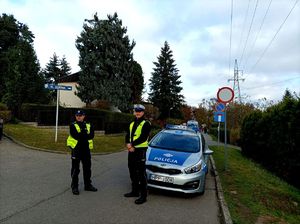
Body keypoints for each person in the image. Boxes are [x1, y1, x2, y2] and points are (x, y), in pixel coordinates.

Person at [124, 104, 151, 204]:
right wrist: (127, 144)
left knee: (141, 173)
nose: (138, 113)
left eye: (140, 111)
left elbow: (143, 137)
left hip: (140, 151)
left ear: (143, 112)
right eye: (136, 111)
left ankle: (143, 196)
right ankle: (134, 191)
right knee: (132, 170)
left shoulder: (146, 123)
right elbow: (127, 135)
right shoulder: (131, 123)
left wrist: (132, 145)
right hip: (131, 151)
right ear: (134, 112)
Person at [67, 110, 97, 195]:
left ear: (84, 116)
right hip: (76, 150)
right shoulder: (72, 125)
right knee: (75, 169)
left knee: (87, 169)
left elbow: (92, 135)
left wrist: (82, 134)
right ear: (75, 116)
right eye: (77, 115)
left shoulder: (89, 125)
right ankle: (74, 187)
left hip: (86, 150)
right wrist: (84, 134)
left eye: (80, 115)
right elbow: (76, 136)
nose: (79, 117)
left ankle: (88, 185)